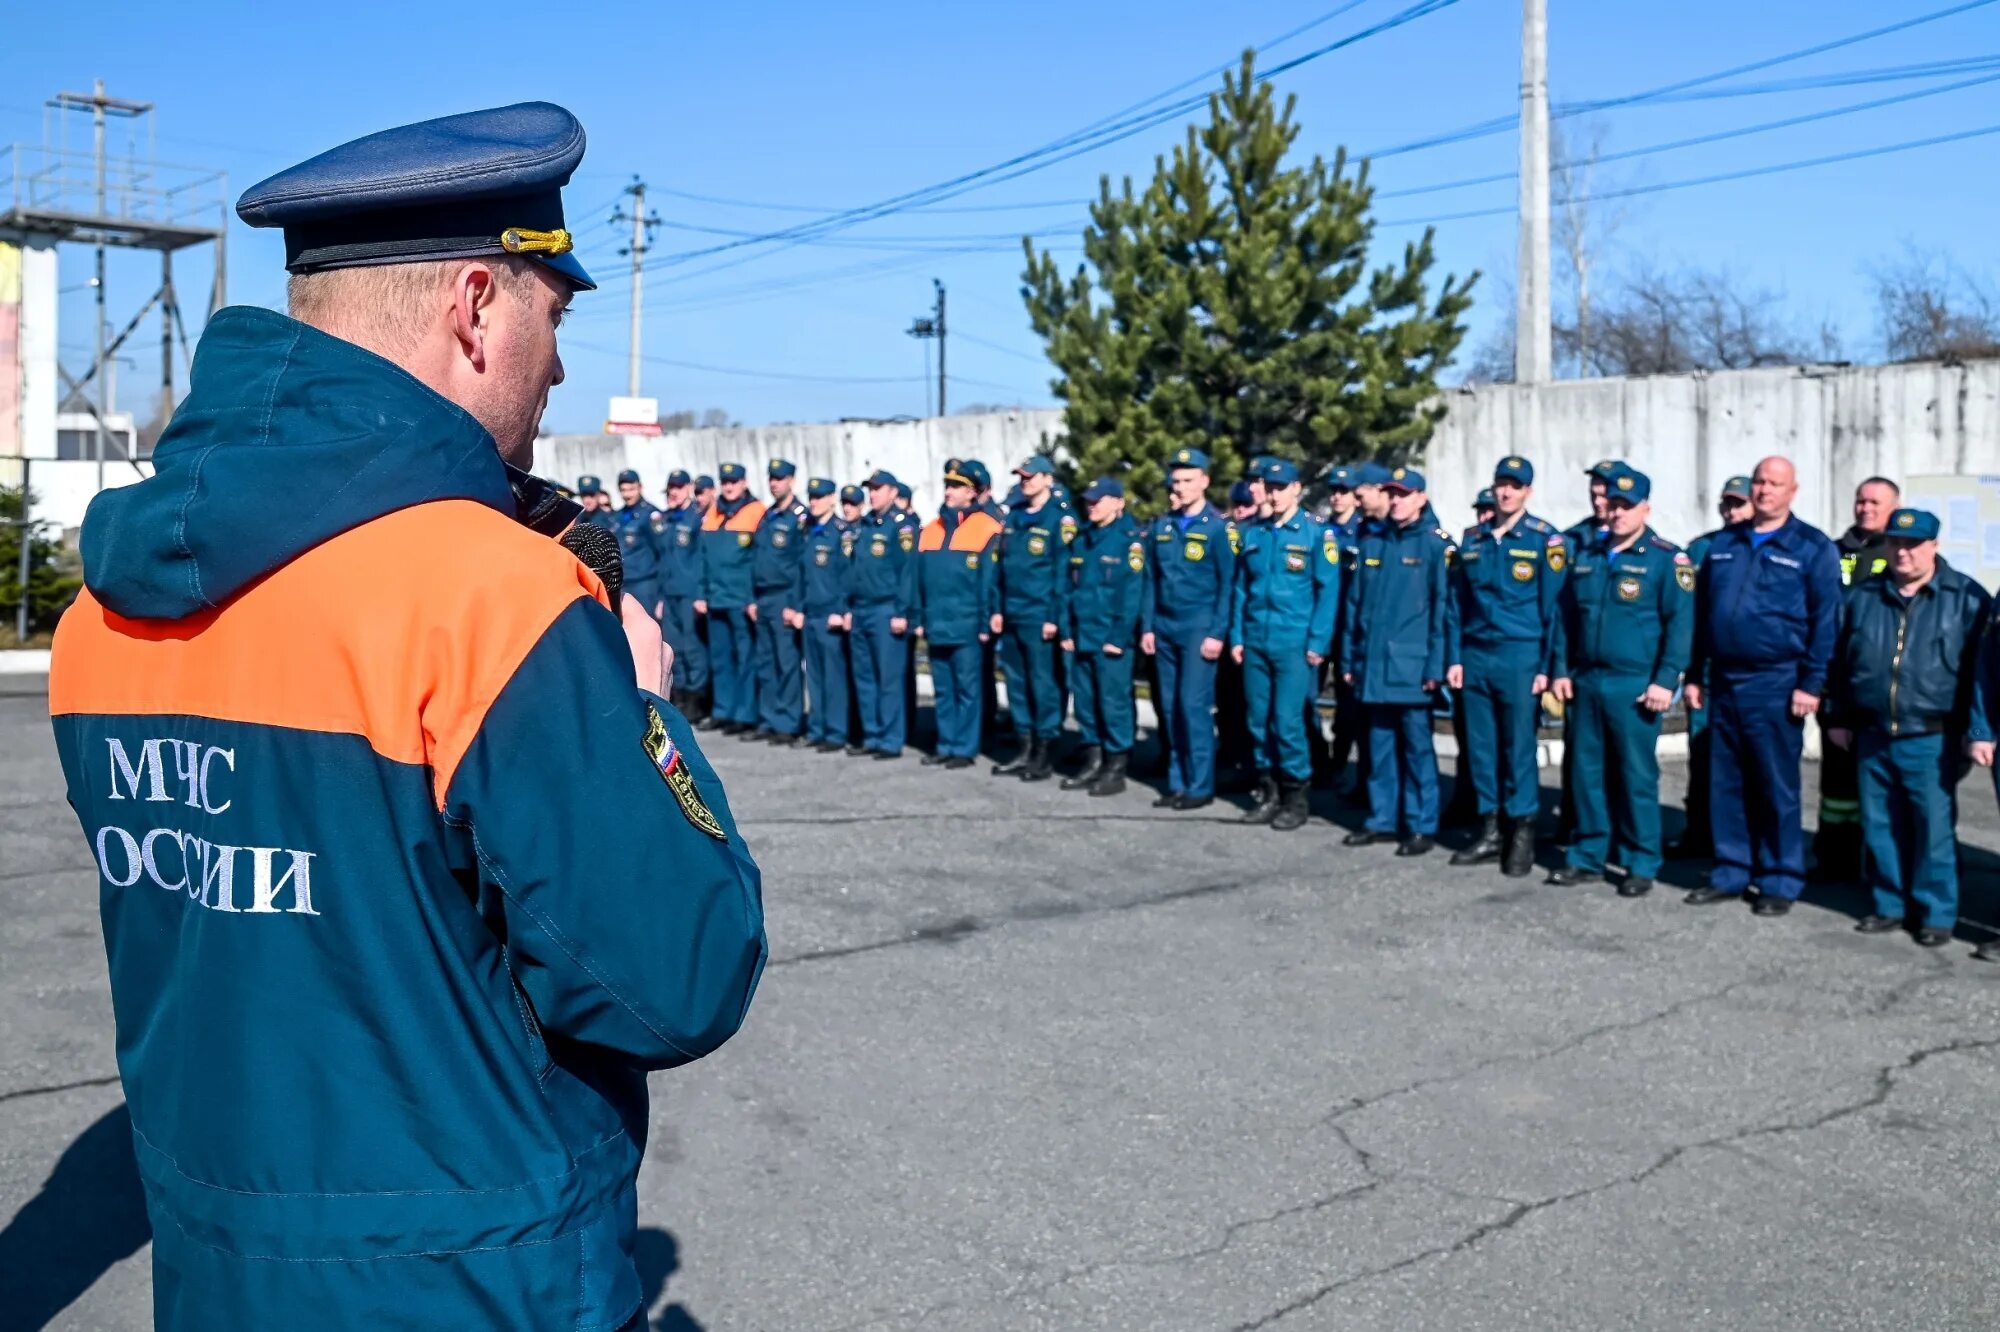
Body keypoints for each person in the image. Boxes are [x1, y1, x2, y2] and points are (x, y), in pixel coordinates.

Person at [48, 102, 764, 1332]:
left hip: (219, 1263)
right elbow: (675, 982)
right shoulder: (495, 598)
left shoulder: (99, 614)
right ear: (476, 305)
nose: (558, 366)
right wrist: (644, 715)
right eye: (554, 315)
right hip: (474, 1277)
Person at [1685, 456, 1843, 916]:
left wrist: (1811, 682)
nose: (1764, 490)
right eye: (1759, 481)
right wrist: (1696, 674)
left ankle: (1780, 876)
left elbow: (1826, 622)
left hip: (1777, 681)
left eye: (1775, 483)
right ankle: (1732, 870)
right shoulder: (1723, 545)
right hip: (1726, 680)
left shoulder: (1811, 547)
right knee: (1726, 782)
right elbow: (1703, 616)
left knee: (1775, 785)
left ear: (1793, 491)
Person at [1826, 508, 1991, 947]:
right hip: (1873, 731)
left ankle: (1936, 912)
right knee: (1880, 824)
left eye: (1913, 544)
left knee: (1932, 829)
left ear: (1934, 546)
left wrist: (1975, 730)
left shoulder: (1966, 599)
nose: (1903, 552)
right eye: (1896, 543)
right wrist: (1838, 716)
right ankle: (1889, 904)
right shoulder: (1862, 597)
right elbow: (1840, 663)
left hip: (1932, 735)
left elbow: (1982, 673)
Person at [1545, 467, 1693, 896]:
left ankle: (1640, 860)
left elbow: (1680, 625)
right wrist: (1559, 669)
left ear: (1645, 508)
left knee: (1635, 776)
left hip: (1635, 685)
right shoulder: (1588, 556)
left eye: (1627, 506)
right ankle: (1587, 855)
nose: (1618, 513)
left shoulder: (1667, 559)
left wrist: (1666, 679)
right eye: (1612, 504)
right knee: (1586, 773)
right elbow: (1564, 620)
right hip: (1587, 680)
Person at [1447, 457, 1564, 877]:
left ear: (1528, 492)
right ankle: (1490, 828)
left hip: (1520, 655)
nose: (1507, 492)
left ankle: (1522, 832)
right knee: (1481, 748)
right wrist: (1455, 657)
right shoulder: (1472, 539)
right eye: (1501, 484)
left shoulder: (1544, 541)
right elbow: (1456, 603)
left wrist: (1547, 667)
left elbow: (1553, 610)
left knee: (1517, 749)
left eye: (1515, 486)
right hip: (1477, 655)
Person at [1341, 465, 1457, 855]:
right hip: (1373, 665)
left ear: (1421, 499)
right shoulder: (1373, 544)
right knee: (1379, 747)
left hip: (1412, 667)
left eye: (1404, 494)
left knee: (1417, 750)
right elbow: (1355, 609)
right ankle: (1382, 818)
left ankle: (1421, 824)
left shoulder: (1436, 546)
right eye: (1391, 493)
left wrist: (1435, 667)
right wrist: (1348, 661)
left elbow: (1443, 613)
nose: (1395, 501)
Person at [1230, 458, 1340, 832]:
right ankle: (1268, 790)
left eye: (1281, 488)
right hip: (1256, 639)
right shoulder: (1255, 533)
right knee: (1257, 720)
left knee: (1287, 721)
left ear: (1297, 489)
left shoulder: (1315, 534)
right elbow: (1242, 588)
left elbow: (1328, 592)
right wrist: (1237, 636)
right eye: (1269, 487)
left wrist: (1318, 641)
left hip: (1293, 642)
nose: (1274, 494)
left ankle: (1296, 794)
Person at [1812, 476, 1901, 879]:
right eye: (1861, 501)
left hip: (1883, 692)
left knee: (1883, 788)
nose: (1866, 508)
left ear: (1894, 508)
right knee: (1836, 787)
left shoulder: (1901, 553)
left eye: (1875, 503)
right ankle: (1834, 862)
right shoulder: (1830, 552)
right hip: (1837, 685)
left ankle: (1881, 868)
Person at [1139, 448, 1237, 810]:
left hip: (1198, 628)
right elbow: (1151, 580)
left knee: (1191, 706)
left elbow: (1228, 584)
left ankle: (1199, 785)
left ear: (1205, 482)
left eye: (1187, 481)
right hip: (1164, 627)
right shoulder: (1162, 527)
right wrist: (1148, 626)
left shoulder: (1218, 529)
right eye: (1175, 481)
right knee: (1168, 708)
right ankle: (1178, 782)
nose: (1178, 487)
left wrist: (1217, 633)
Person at [1667, 475, 1754, 859]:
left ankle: (1745, 840)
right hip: (1707, 674)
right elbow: (1688, 615)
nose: (1732, 511)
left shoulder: (1767, 548)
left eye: (1740, 504)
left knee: (1749, 762)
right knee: (1702, 758)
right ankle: (1699, 832)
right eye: (1727, 504)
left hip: (1751, 676)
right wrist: (1689, 674)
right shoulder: (1702, 550)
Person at [1062, 478, 1150, 796]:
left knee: (1113, 703)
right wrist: (1066, 629)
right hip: (1082, 634)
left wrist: (1119, 636)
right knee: (1085, 702)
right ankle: (1093, 759)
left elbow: (1132, 594)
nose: (1092, 506)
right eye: (1088, 500)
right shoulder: (1083, 538)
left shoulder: (1130, 540)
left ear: (1118, 502)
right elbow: (1068, 588)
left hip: (1110, 638)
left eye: (1099, 500)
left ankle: (1116, 766)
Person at [913, 461, 1002, 767]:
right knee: (944, 688)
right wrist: (919, 618)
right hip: (937, 621)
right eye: (947, 486)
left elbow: (988, 582)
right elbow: (919, 581)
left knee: (967, 688)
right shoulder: (930, 530)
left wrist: (985, 619)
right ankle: (946, 743)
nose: (948, 492)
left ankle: (964, 748)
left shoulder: (988, 528)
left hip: (967, 623)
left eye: (956, 487)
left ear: (972, 493)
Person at [991, 456, 1073, 781]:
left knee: (1043, 684)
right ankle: (1024, 745)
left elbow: (1063, 572)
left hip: (1040, 615)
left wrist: (1055, 616)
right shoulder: (1015, 517)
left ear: (1047, 479)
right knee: (1017, 683)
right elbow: (1001, 567)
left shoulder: (1060, 520)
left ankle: (1044, 750)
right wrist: (997, 608)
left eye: (1031, 477)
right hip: (1012, 612)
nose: (1025, 482)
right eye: (1021, 477)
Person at [849, 470, 921, 759]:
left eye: (878, 489)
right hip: (862, 608)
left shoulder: (901, 525)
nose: (873, 494)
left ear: (893, 492)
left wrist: (903, 610)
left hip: (887, 609)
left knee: (888, 678)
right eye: (870, 488)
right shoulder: (864, 524)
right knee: (865, 677)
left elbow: (908, 571)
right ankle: (872, 735)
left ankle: (890, 739)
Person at [697, 462, 766, 734]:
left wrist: (753, 598)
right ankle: (724, 711)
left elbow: (760, 561)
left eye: (734, 481)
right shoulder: (713, 513)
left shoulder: (756, 512)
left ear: (744, 483)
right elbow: (702, 559)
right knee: (721, 658)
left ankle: (746, 714)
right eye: (725, 481)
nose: (729, 486)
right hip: (716, 597)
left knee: (745, 659)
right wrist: (701, 594)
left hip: (741, 599)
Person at [749, 459, 809, 744]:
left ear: (792, 481)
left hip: (786, 595)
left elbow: (802, 564)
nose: (775, 483)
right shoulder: (768, 515)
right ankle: (770, 718)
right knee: (766, 661)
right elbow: (756, 560)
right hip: (764, 596)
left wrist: (796, 604)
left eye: (781, 478)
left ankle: (788, 721)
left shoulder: (800, 517)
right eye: (772, 478)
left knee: (786, 662)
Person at [799, 478, 854, 752]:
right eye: (811, 496)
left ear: (832, 498)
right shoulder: (808, 530)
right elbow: (802, 575)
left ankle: (835, 731)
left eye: (820, 496)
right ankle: (817, 728)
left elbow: (846, 577)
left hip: (830, 613)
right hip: (811, 612)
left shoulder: (840, 532)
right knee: (815, 676)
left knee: (833, 677)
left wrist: (841, 610)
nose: (814, 502)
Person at [657, 469, 710, 721]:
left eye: (678, 487)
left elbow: (702, 560)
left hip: (689, 593)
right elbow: (661, 561)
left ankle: (697, 700)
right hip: (669, 595)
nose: (674, 492)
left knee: (692, 648)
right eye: (671, 488)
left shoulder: (696, 519)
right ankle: (680, 697)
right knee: (674, 647)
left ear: (688, 488)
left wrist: (701, 594)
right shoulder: (666, 519)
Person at [612, 467, 664, 621]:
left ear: (640, 487)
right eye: (623, 490)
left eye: (631, 489)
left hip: (645, 584)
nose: (627, 495)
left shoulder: (651, 515)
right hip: (624, 584)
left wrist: (661, 595)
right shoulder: (618, 516)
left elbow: (662, 553)